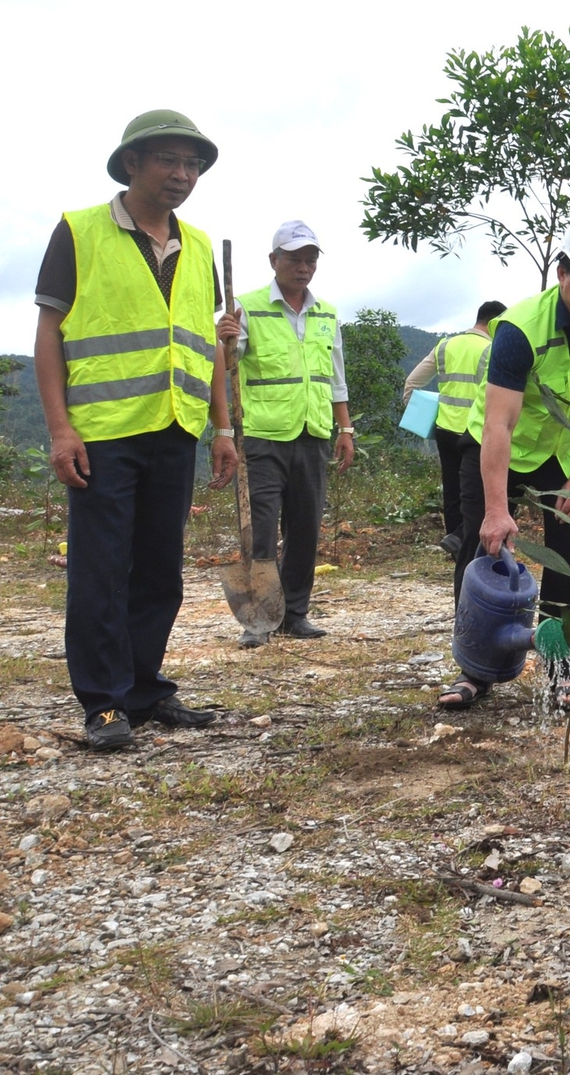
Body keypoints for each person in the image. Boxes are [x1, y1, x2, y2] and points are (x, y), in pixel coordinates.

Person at [33, 110, 239, 750]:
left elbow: (204, 344)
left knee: (160, 570)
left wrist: (222, 426)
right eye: (169, 161)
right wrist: (60, 428)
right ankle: (101, 702)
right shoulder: (79, 231)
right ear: (131, 164)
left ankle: (144, 689)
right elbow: (48, 333)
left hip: (175, 428)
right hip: (102, 434)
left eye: (193, 164)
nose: (183, 175)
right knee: (101, 570)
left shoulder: (199, 244)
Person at [440, 209, 570, 710]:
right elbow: (498, 425)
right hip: (498, 449)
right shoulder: (518, 329)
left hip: (562, 451)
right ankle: (475, 672)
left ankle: (566, 672)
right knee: (480, 552)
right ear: (563, 273)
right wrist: (495, 509)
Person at [232, 221, 354, 647]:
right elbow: (228, 365)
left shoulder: (327, 313)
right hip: (264, 436)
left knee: (305, 526)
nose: (303, 268)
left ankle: (294, 613)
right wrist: (223, 341)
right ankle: (259, 619)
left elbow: (335, 377)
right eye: (294, 259)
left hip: (313, 433)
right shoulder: (246, 307)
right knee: (262, 529)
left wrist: (345, 428)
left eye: (310, 260)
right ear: (274, 261)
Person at [403, 300, 506, 555]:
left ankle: (454, 545)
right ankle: (468, 542)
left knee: (452, 489)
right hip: (477, 432)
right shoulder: (493, 350)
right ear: (495, 323)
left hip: (445, 430)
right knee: (478, 493)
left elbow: (411, 384)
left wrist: (422, 413)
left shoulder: (445, 345)